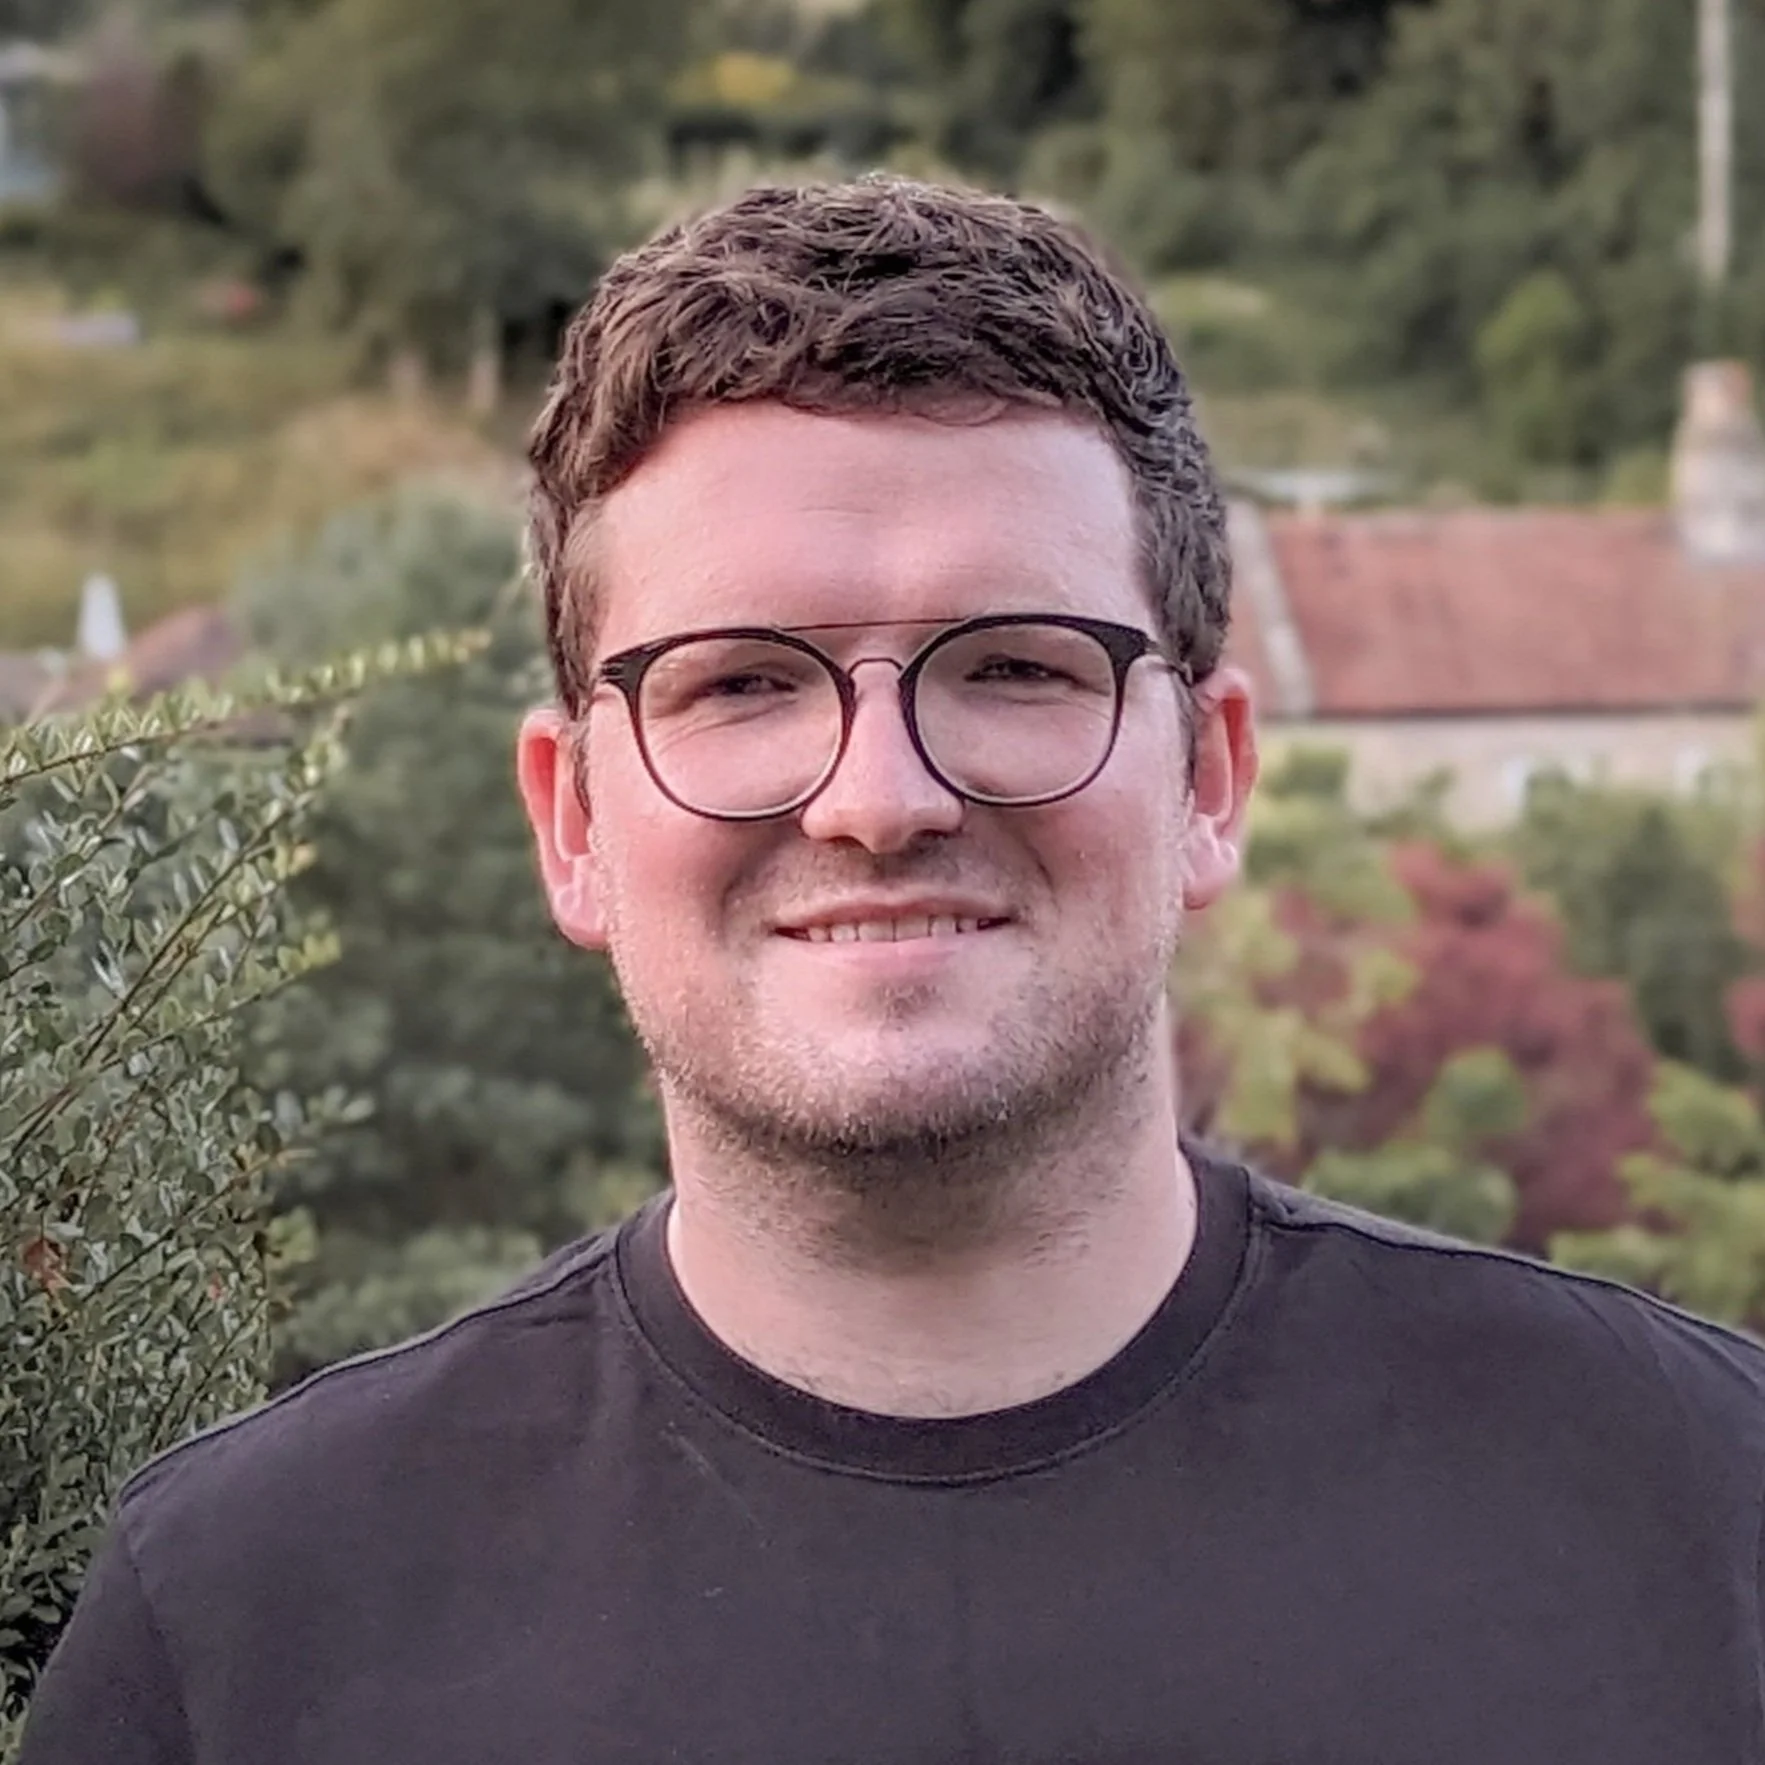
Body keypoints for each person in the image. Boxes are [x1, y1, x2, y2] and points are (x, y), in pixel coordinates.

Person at [20, 175, 1765, 1765]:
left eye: (1013, 667)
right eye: (739, 683)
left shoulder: (1705, 1517)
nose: (877, 798)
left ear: (1211, 781)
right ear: (571, 821)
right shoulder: (251, 1626)